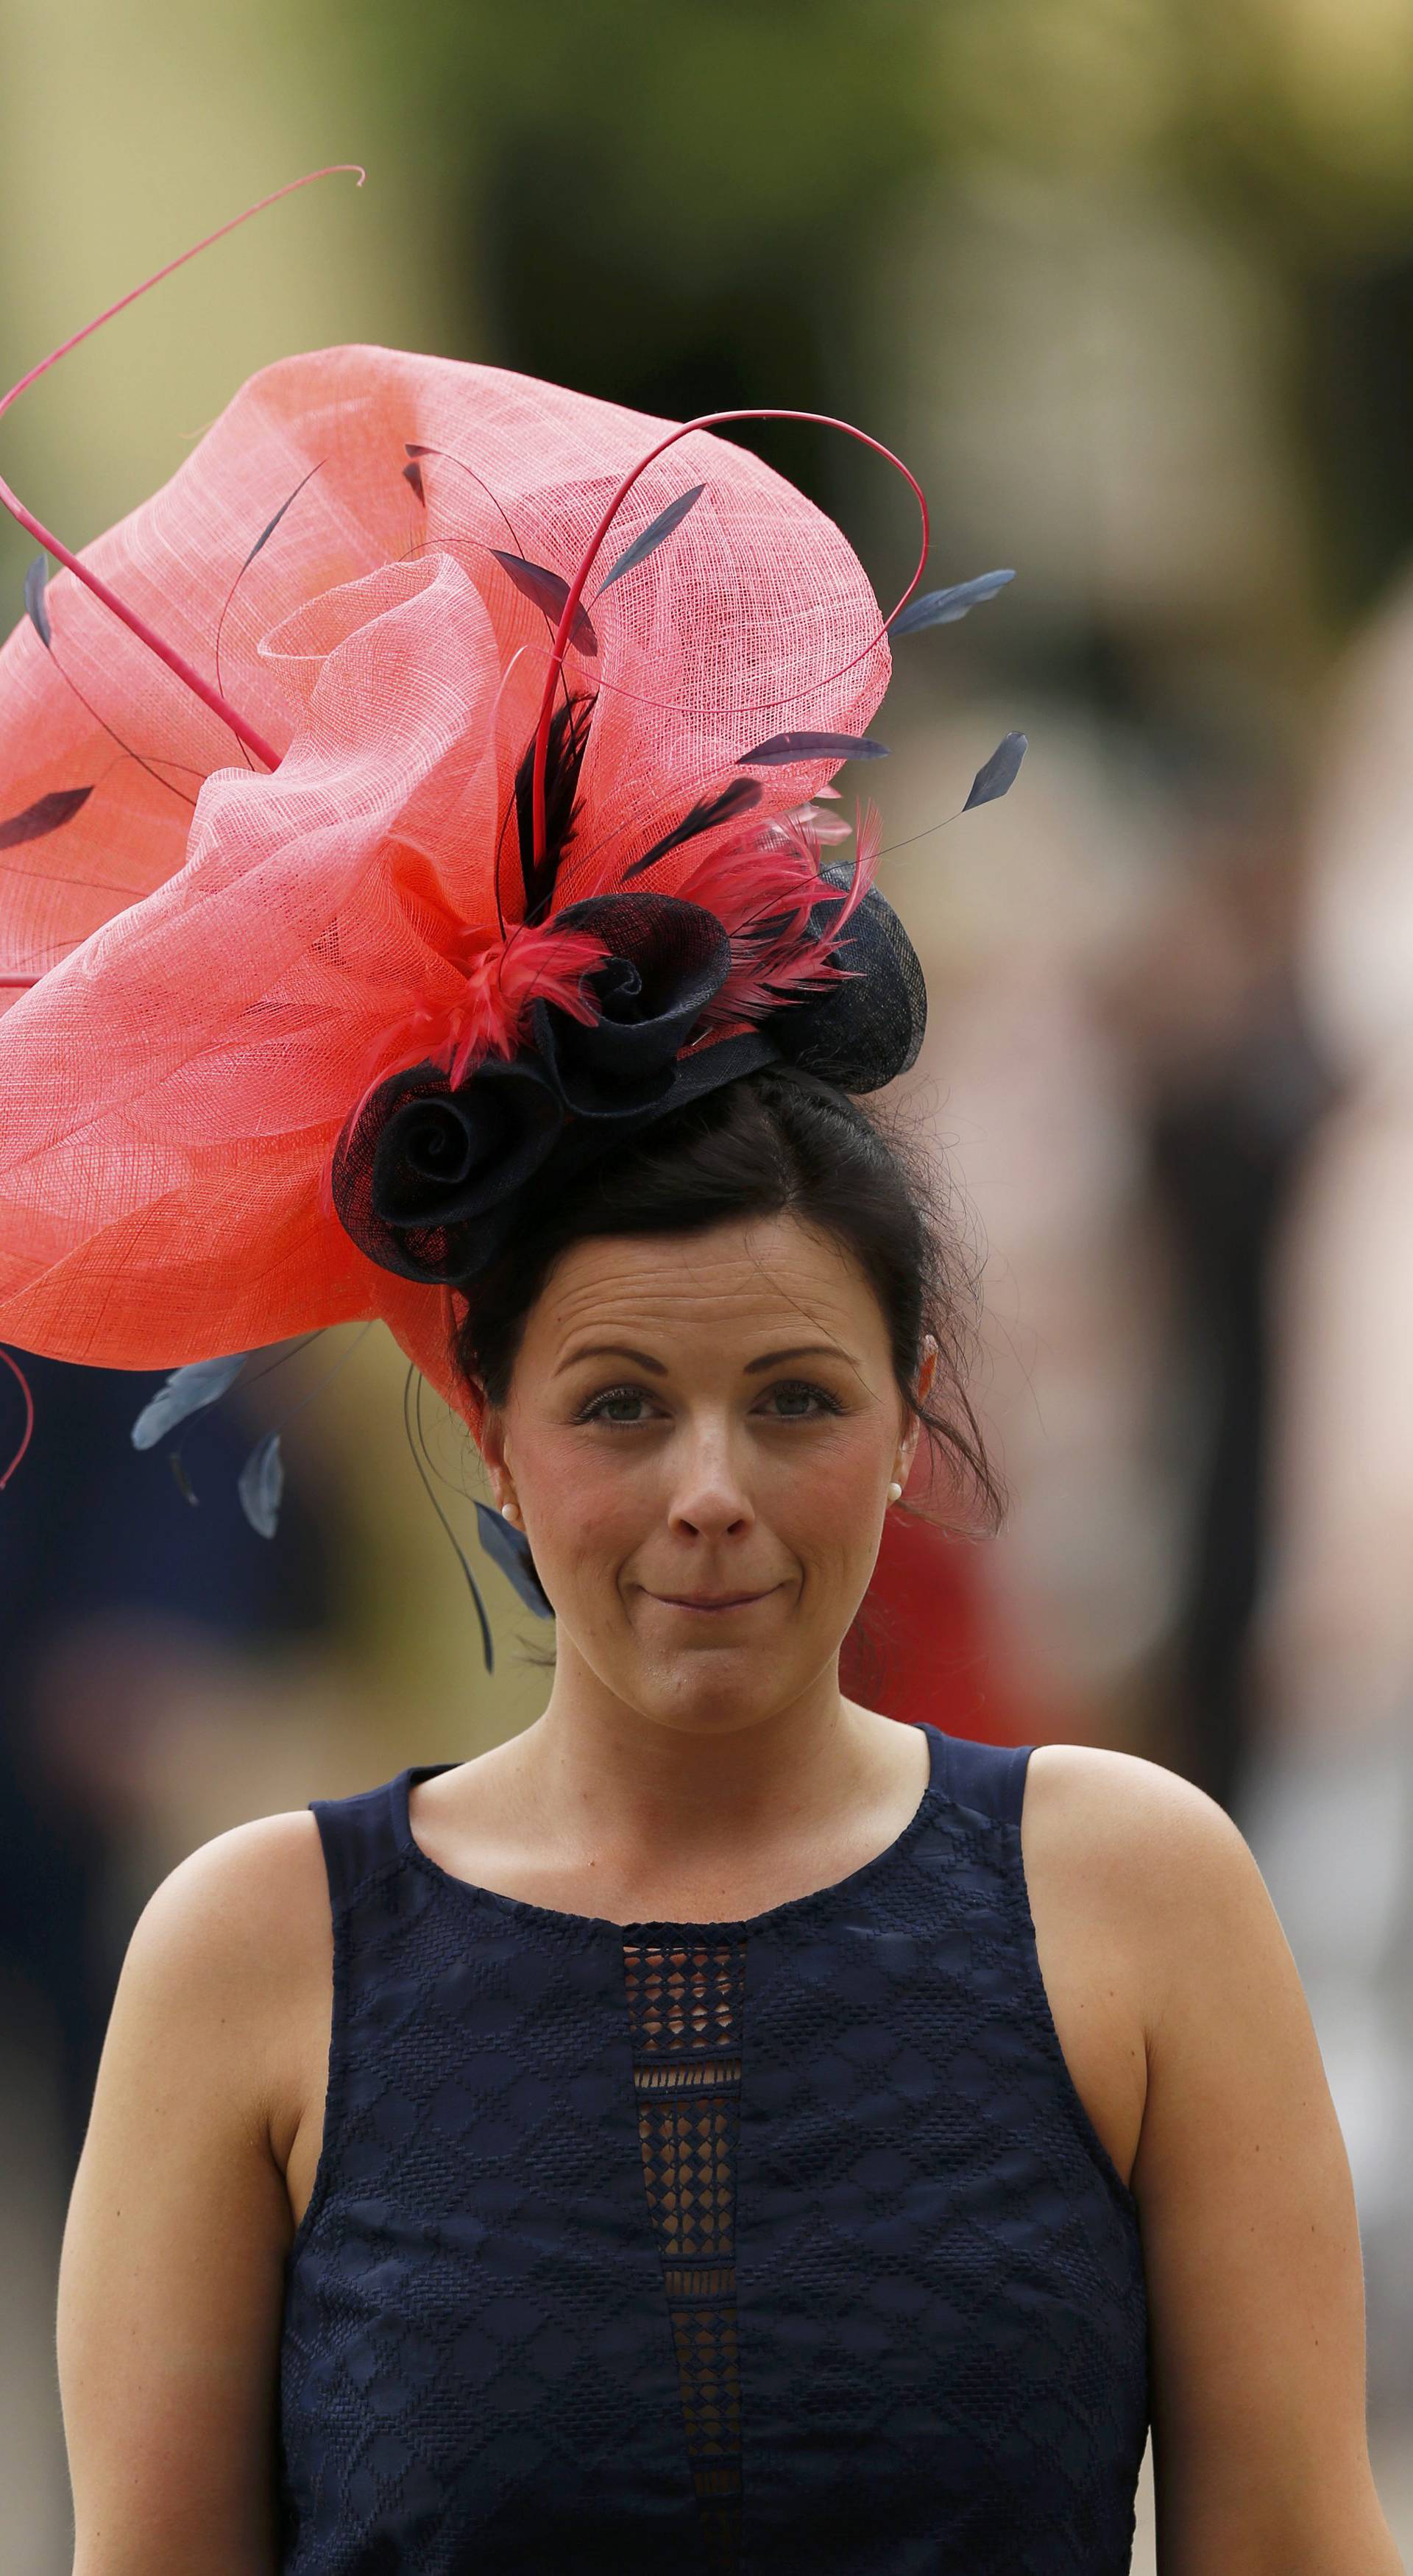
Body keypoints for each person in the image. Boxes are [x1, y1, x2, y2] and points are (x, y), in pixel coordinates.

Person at [0, 175, 1401, 2575]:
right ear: (493, 1425)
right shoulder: (253, 1964)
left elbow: (1298, 2534)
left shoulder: (1137, 1904)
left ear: (916, 1402)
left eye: (799, 1398)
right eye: (625, 1403)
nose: (716, 1491)